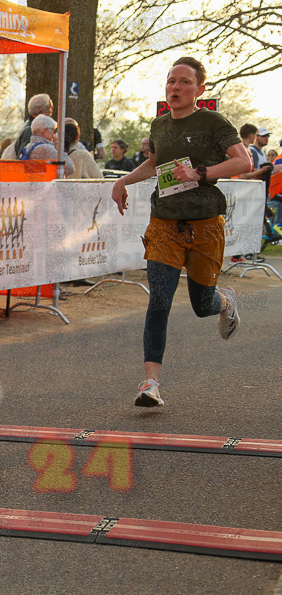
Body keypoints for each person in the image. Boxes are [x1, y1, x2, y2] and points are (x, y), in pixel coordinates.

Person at [111, 56, 250, 408]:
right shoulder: (159, 126)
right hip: (165, 223)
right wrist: (124, 181)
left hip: (205, 225)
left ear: (199, 89)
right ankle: (150, 383)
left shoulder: (213, 122)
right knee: (159, 299)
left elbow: (244, 162)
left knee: (202, 305)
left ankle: (225, 301)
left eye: (185, 82)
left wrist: (202, 173)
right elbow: (155, 163)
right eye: (172, 81)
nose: (176, 87)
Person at [10, 93, 53, 158]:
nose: (52, 111)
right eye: (51, 107)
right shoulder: (30, 130)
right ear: (44, 110)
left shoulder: (30, 127)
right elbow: (24, 157)